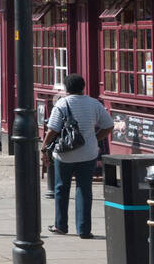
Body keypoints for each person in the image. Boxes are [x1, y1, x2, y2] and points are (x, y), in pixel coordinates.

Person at [41, 74, 114, 239]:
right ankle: (84, 229)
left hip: (64, 154)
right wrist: (95, 138)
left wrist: (43, 148)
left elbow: (52, 130)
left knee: (61, 188)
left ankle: (60, 225)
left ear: (66, 88)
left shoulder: (62, 103)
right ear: (83, 87)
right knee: (84, 190)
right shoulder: (94, 104)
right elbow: (109, 126)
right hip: (88, 154)